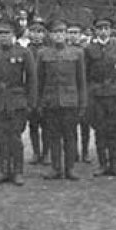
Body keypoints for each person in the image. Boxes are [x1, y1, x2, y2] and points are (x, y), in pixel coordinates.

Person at [0, 19, 37, 186]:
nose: (3, 36)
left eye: (6, 33)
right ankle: (3, 170)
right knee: (0, 137)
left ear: (14, 35)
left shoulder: (24, 53)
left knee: (15, 137)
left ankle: (17, 171)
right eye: (0, 33)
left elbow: (31, 79)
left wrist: (31, 102)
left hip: (17, 101)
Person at [36, 19, 87, 180]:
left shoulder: (77, 53)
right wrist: (39, 102)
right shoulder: (43, 54)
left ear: (66, 35)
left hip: (70, 101)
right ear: (50, 35)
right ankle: (56, 167)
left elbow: (81, 81)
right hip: (51, 101)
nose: (58, 36)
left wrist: (82, 103)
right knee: (53, 136)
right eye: (55, 33)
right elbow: (39, 80)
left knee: (70, 136)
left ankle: (70, 168)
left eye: (62, 32)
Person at [84, 17, 116, 177]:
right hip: (97, 94)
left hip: (114, 94)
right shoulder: (89, 49)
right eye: (100, 28)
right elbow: (86, 74)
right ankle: (102, 164)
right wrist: (89, 93)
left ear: (110, 30)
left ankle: (113, 164)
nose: (103, 31)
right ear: (95, 31)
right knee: (100, 130)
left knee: (114, 130)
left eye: (106, 28)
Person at [67, 21, 92, 163]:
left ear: (81, 35)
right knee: (71, 124)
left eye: (76, 33)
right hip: (70, 91)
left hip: (84, 89)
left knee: (85, 124)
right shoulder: (64, 49)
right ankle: (73, 152)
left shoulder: (85, 50)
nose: (73, 36)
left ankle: (85, 151)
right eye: (70, 33)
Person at [26, 17, 50, 165]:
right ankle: (36, 152)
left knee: (46, 124)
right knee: (33, 124)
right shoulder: (25, 50)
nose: (36, 35)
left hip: (45, 91)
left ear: (44, 34)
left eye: (40, 32)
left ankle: (46, 153)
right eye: (33, 31)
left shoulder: (48, 50)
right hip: (30, 91)